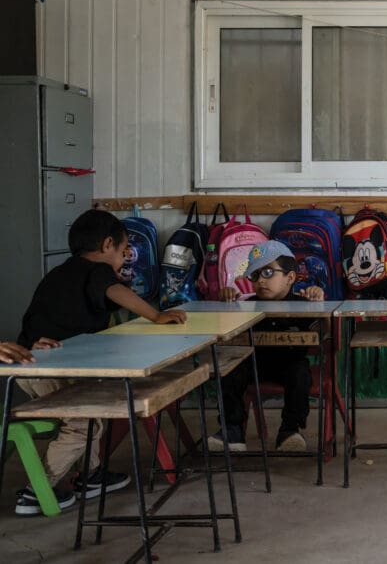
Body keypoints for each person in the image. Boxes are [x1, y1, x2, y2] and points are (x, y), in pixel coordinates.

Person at [14, 209, 187, 516]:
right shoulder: (98, 272)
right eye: (123, 252)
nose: (122, 261)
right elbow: (114, 290)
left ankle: (91, 475)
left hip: (32, 364)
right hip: (50, 367)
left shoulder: (61, 272)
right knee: (81, 422)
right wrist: (157, 316)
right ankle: (38, 490)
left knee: (93, 410)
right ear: (107, 245)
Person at [207, 241, 323, 453]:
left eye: (268, 272)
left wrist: (318, 304)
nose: (260, 280)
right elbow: (225, 329)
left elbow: (322, 332)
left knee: (300, 373)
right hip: (252, 364)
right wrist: (225, 302)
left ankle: (289, 431)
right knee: (230, 370)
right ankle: (232, 430)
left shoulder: (304, 305)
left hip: (288, 365)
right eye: (254, 275)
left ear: (290, 278)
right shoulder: (245, 304)